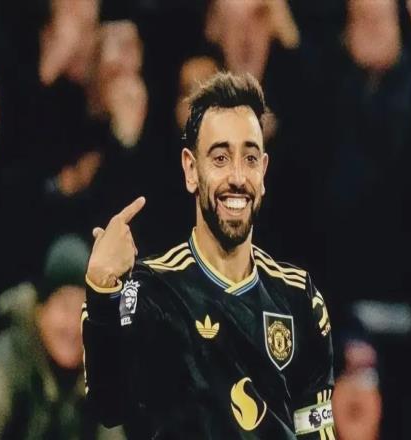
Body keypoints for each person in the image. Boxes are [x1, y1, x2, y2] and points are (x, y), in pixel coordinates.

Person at [82, 72, 335, 439]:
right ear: (191, 170)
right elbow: (108, 406)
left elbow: (317, 429)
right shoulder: (152, 291)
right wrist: (101, 292)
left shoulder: (299, 298)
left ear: (263, 172)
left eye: (250, 158)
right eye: (220, 158)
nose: (237, 177)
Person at [0, 234, 122, 439]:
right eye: (65, 307)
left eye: (83, 311)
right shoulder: (1, 371)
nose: (73, 326)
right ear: (40, 311)